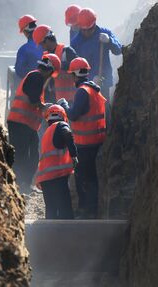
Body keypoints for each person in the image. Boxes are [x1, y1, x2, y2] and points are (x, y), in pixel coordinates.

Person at [57, 58, 106, 218]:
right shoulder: (94, 90)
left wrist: (64, 105)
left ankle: (86, 210)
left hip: (85, 143)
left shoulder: (82, 91)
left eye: (72, 74)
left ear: (76, 75)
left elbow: (74, 115)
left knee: (83, 177)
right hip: (96, 140)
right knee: (90, 176)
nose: (71, 78)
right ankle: (91, 209)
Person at [7, 53, 61, 193]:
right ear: (50, 70)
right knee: (22, 154)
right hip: (20, 123)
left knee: (32, 155)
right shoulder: (36, 77)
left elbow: (34, 98)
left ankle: (24, 183)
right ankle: (19, 184)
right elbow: (32, 99)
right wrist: (45, 107)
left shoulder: (35, 77)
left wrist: (43, 105)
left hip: (26, 124)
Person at [35, 105, 78, 219]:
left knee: (51, 210)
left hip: (45, 178)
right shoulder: (61, 125)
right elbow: (67, 133)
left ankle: (50, 235)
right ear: (63, 116)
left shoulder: (47, 133)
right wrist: (74, 155)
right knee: (65, 209)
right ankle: (69, 234)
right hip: (57, 176)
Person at [70, 8, 122, 101]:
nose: (86, 33)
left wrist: (110, 41)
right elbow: (75, 68)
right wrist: (90, 80)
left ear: (94, 24)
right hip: (85, 87)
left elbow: (118, 50)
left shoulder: (105, 33)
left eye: (89, 29)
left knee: (105, 110)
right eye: (83, 30)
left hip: (104, 82)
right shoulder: (75, 43)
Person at [33, 24, 78, 104]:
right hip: (52, 100)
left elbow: (78, 71)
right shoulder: (45, 56)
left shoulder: (67, 51)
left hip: (69, 101)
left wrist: (61, 66)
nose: (41, 47)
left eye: (41, 44)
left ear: (46, 40)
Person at [14, 15, 44, 79]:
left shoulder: (24, 50)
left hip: (33, 85)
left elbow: (19, 70)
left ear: (25, 32)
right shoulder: (48, 43)